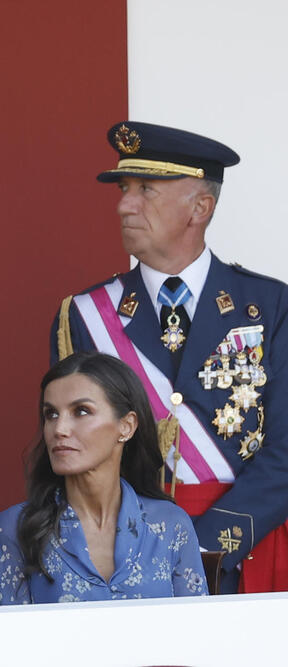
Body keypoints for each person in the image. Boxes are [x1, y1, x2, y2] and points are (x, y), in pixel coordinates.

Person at [52, 121, 288, 593]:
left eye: (146, 190)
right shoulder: (85, 314)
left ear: (200, 207)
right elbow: (72, 447)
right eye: (124, 189)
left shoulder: (269, 306)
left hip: (246, 551)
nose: (124, 205)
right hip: (124, 558)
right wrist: (138, 548)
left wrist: (208, 546)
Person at [0, 352, 207, 604]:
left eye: (81, 411)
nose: (59, 429)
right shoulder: (15, 529)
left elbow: (197, 634)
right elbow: (9, 639)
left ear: (126, 426)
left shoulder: (170, 525)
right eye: (51, 414)